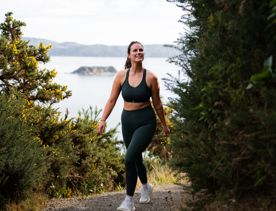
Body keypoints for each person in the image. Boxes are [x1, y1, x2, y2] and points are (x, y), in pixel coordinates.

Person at [97, 41, 170, 211]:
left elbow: (158, 105)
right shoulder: (121, 76)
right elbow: (112, 99)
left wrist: (164, 125)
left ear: (143, 54)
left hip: (146, 121)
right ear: (129, 55)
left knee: (129, 158)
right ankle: (146, 187)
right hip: (127, 121)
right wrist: (103, 120)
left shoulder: (151, 77)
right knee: (136, 158)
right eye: (135, 50)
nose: (138, 52)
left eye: (141, 50)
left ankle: (129, 201)